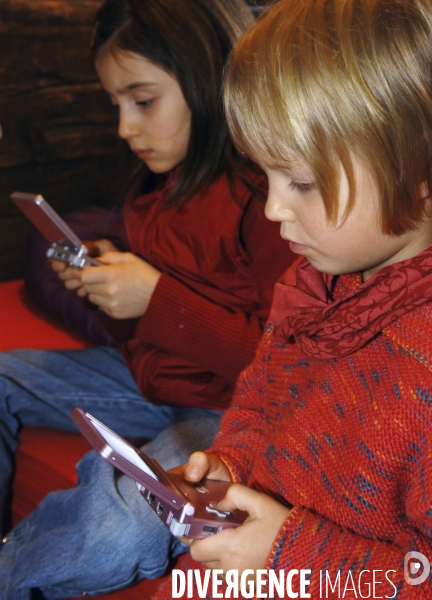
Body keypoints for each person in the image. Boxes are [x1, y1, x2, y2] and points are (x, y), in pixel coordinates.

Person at [0, 0, 294, 597]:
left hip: (226, 406)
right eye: (115, 104)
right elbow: (159, 311)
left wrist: (154, 298)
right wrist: (108, 283)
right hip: (147, 379)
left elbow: (282, 365)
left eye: (142, 101)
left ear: (203, 81)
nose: (124, 129)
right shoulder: (157, 189)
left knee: (121, 526)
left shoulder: (267, 199)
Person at [152, 0, 432, 597]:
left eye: (301, 182)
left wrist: (290, 553)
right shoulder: (311, 286)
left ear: (419, 171)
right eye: (267, 177)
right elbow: (258, 406)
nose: (276, 208)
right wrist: (230, 469)